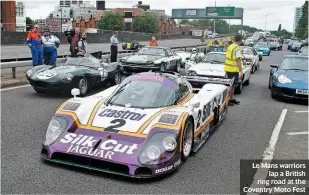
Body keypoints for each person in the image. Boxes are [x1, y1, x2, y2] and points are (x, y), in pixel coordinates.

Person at [224, 34, 243, 106]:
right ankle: (228, 100)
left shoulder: (231, 46)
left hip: (228, 68)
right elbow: (238, 61)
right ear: (240, 40)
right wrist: (241, 71)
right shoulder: (237, 48)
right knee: (232, 86)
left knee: (231, 85)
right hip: (233, 69)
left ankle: (231, 99)